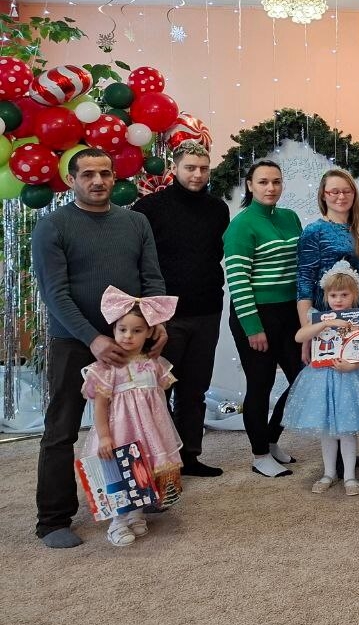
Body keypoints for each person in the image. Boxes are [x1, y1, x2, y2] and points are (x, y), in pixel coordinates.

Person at [31, 147, 167, 549]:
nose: (98, 181)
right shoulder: (53, 226)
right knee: (62, 428)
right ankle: (53, 519)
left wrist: (156, 321)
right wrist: (93, 338)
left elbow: (151, 278)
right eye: (88, 174)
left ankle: (140, 495)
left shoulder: (135, 221)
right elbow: (55, 294)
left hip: (130, 342)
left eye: (105, 173)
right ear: (71, 180)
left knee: (137, 422)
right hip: (74, 342)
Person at [132, 138, 229, 477]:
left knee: (195, 388)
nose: (197, 174)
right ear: (174, 168)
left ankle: (190, 456)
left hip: (206, 309)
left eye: (203, 169)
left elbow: (214, 254)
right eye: (190, 168)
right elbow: (138, 261)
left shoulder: (218, 209)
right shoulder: (149, 208)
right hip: (163, 314)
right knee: (158, 389)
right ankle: (160, 460)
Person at [283, 260, 359, 496]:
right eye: (333, 295)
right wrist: (328, 322)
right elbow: (299, 336)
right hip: (322, 379)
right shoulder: (318, 318)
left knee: (346, 431)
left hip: (350, 379)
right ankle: (329, 473)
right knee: (327, 431)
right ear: (326, 296)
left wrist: (352, 365)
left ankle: (350, 475)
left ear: (355, 295)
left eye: (344, 294)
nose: (338, 299)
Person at [81, 287, 182, 546]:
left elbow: (157, 400)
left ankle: (137, 513)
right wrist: (104, 436)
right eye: (122, 329)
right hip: (120, 431)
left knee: (142, 471)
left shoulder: (154, 363)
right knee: (119, 473)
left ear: (149, 332)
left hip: (149, 431)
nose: (128, 336)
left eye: (137, 331)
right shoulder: (108, 367)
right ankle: (117, 521)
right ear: (113, 329)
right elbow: (100, 406)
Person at [223, 159, 304, 479]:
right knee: (261, 384)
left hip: (290, 313)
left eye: (276, 182)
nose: (271, 188)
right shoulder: (241, 225)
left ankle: (270, 439)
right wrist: (253, 327)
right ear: (250, 186)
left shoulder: (290, 217)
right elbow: (238, 281)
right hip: (256, 314)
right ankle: (259, 455)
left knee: (303, 379)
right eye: (263, 182)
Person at [296, 168, 359, 349]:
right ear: (323, 195)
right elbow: (304, 284)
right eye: (334, 192)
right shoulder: (314, 231)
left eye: (347, 191)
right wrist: (308, 331)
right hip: (331, 310)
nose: (341, 196)